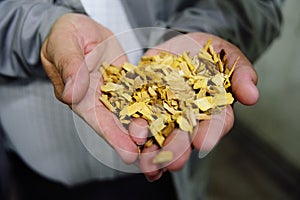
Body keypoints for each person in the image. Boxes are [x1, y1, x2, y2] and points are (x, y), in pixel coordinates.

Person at [0, 0, 283, 199]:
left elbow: (259, 4)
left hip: (167, 172)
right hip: (33, 170)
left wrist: (206, 33)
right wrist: (42, 30)